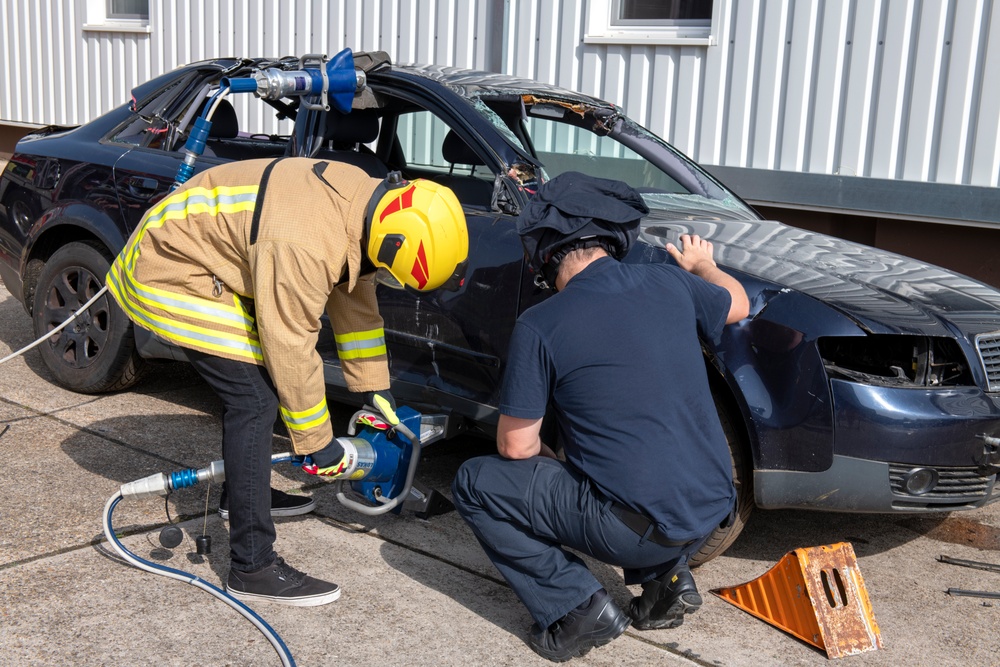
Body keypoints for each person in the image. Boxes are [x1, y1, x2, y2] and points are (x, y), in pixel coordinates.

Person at [107, 157, 468, 606]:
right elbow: (290, 343)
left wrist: (372, 385)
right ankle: (252, 565)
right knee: (255, 400)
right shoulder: (304, 242)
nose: (386, 279)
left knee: (262, 389)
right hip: (170, 269)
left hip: (210, 258)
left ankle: (240, 497)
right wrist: (318, 443)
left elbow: (354, 298)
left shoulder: (366, 201)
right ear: (393, 238)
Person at [451, 172, 749, 661]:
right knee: (637, 456)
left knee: (475, 481)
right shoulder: (671, 281)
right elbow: (737, 302)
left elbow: (516, 447)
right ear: (612, 236)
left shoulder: (541, 323)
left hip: (637, 531)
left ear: (544, 250)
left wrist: (554, 469)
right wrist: (704, 265)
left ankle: (576, 608)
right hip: (713, 512)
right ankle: (667, 584)